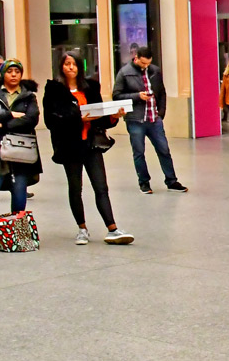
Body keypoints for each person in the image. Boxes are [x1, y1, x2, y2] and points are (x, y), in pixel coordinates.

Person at [43, 51, 133, 246]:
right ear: (61, 67)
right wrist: (77, 119)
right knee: (76, 188)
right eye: (67, 64)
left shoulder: (90, 88)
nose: (71, 67)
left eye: (74, 64)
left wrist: (113, 117)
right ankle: (82, 228)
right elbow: (51, 120)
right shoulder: (54, 90)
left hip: (91, 145)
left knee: (101, 186)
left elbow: (100, 116)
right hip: (69, 146)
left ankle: (113, 228)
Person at [0, 59, 42, 227]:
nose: (13, 75)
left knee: (19, 192)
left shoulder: (28, 97)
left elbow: (31, 119)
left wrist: (3, 125)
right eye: (10, 71)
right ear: (3, 74)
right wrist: (11, 114)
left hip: (20, 152)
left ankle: (17, 233)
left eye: (17, 72)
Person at [113, 46, 188, 195]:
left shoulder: (155, 71)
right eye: (142, 64)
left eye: (148, 63)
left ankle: (171, 181)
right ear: (136, 58)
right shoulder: (124, 73)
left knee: (164, 150)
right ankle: (144, 182)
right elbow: (116, 96)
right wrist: (136, 96)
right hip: (136, 120)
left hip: (154, 119)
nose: (145, 66)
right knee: (139, 152)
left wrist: (161, 112)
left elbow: (162, 92)